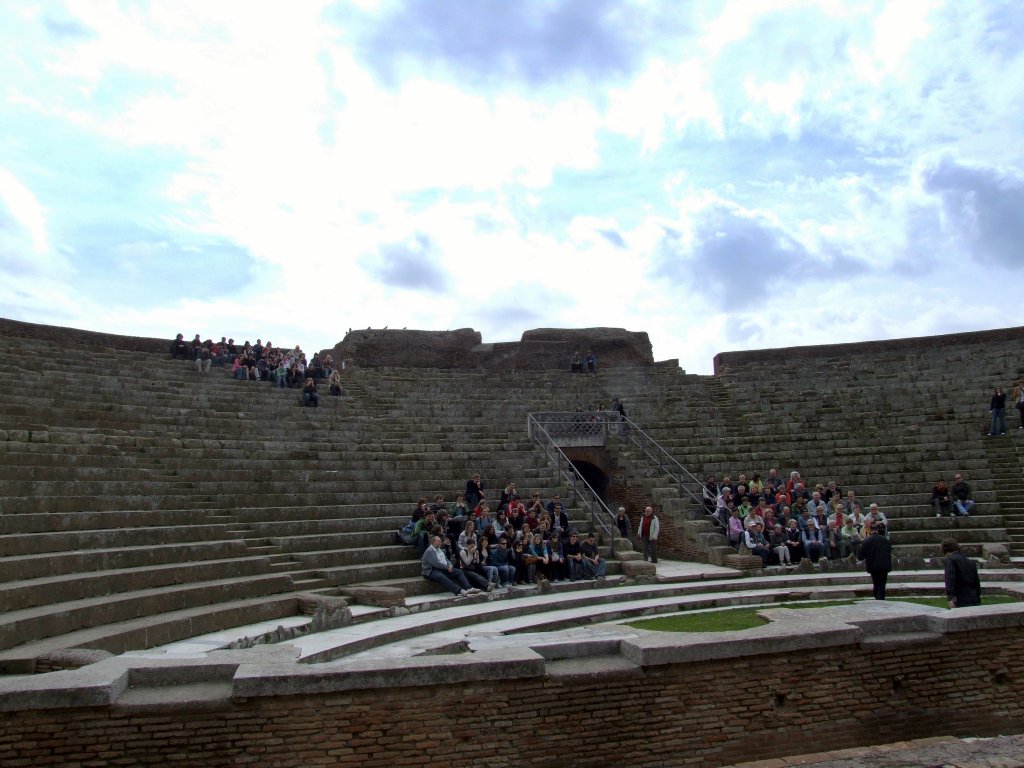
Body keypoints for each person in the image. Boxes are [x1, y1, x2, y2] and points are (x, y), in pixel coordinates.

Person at [942, 540, 981, 608]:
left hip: (959, 599)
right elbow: (977, 583)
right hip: (973, 598)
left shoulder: (950, 560)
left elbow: (950, 579)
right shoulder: (970, 562)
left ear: (946, 551)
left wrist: (950, 598)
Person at [859, 523, 893, 600]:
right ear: (877, 530)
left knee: (876, 582)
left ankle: (877, 597)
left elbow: (861, 555)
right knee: (882, 582)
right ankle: (881, 597)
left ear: (870, 530)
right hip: (884, 565)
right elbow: (890, 550)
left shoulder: (867, 541)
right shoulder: (885, 540)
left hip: (873, 565)